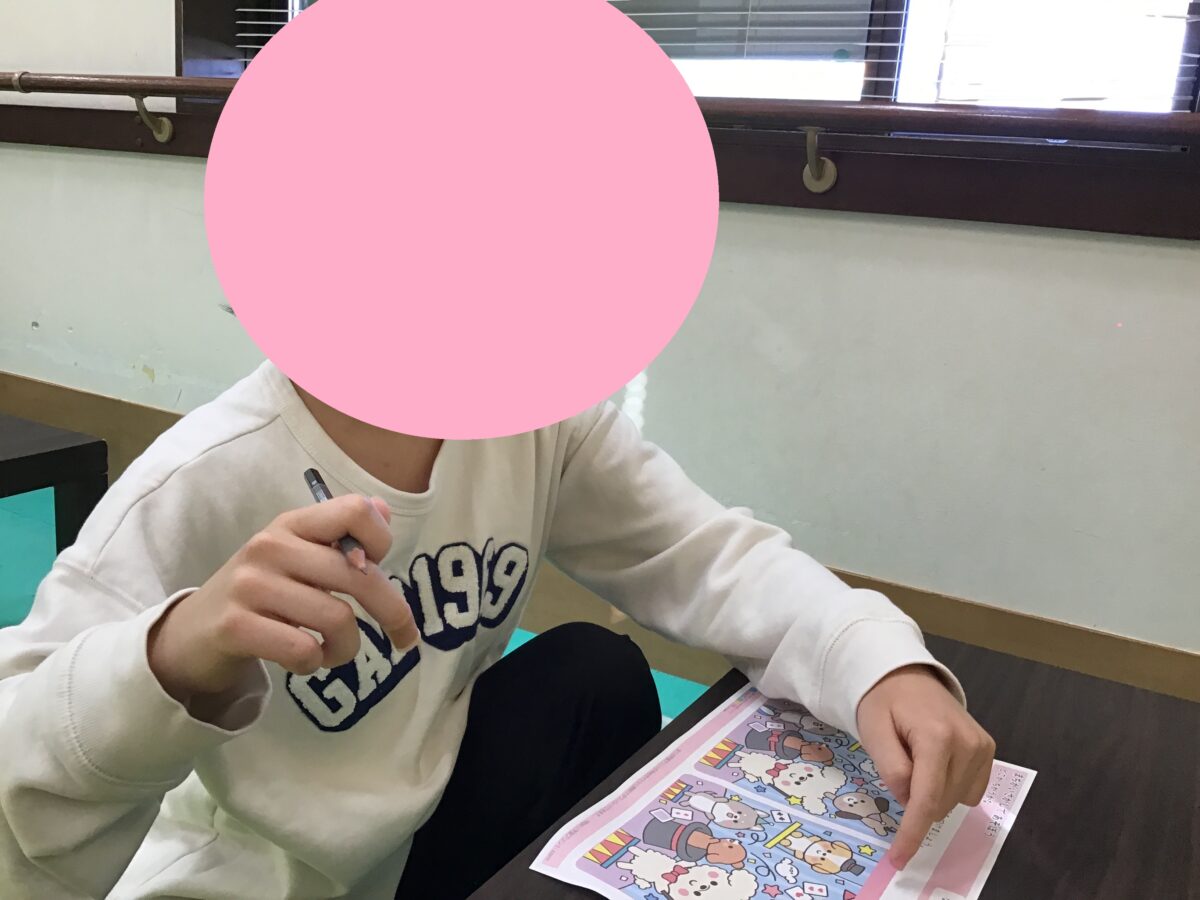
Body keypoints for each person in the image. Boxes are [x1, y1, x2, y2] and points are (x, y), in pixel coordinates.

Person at [0, 361, 995, 899]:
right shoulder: (202, 476)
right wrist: (171, 657)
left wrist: (877, 664)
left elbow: (704, 553)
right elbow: (16, 788)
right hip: (262, 877)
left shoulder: (535, 415)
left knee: (594, 671)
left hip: (420, 829)